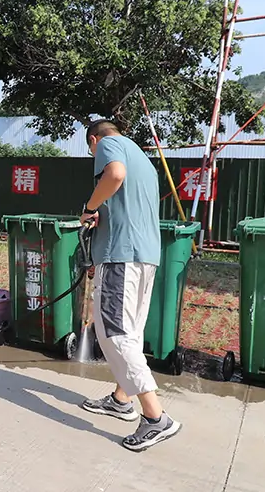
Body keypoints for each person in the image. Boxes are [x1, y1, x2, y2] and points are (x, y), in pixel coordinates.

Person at [78, 118, 181, 452]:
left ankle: (155, 417)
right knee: (131, 331)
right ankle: (123, 399)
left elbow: (115, 175)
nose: (95, 153)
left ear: (93, 139)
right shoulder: (142, 157)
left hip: (121, 255)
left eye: (90, 148)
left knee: (114, 332)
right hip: (145, 255)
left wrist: (90, 207)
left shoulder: (109, 144)